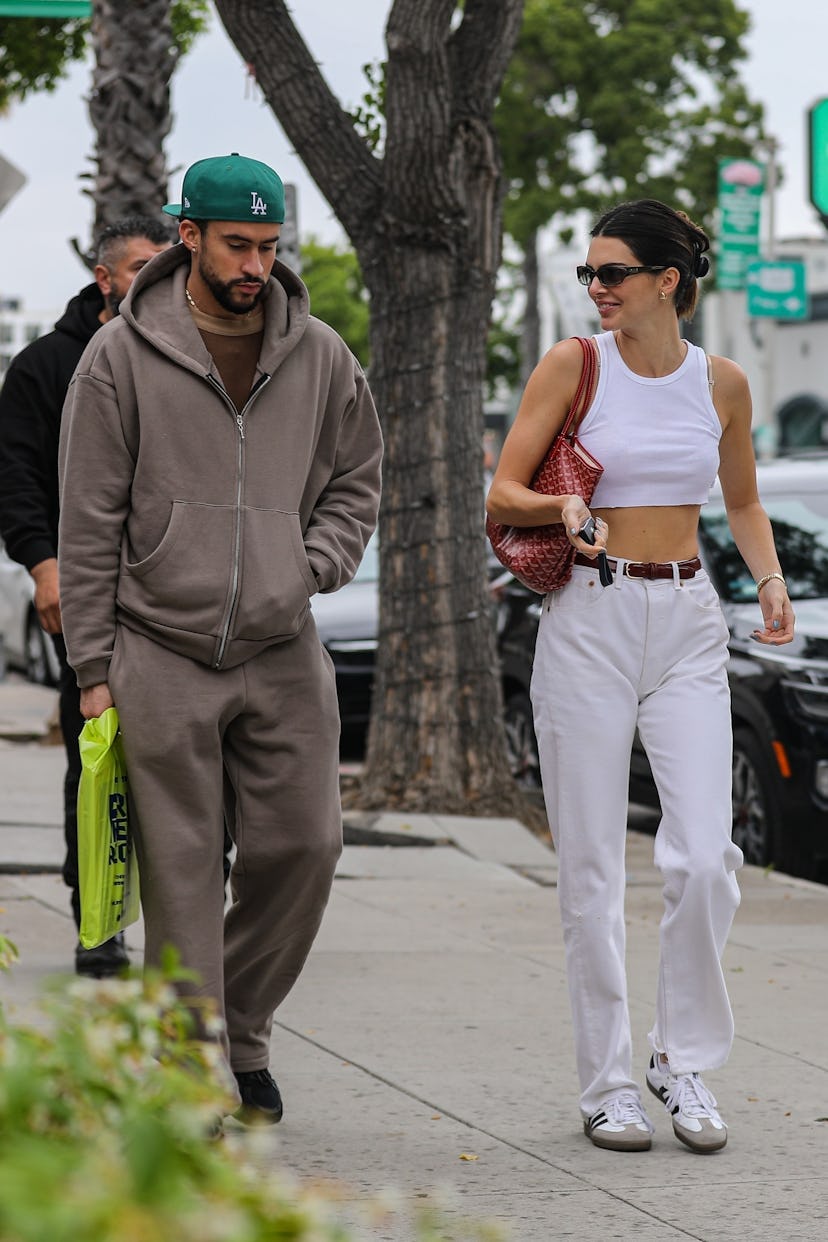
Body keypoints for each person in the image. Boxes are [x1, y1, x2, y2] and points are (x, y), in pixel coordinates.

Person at [57, 153, 383, 1126]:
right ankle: (203, 1059)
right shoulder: (118, 359)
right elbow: (88, 520)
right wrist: (92, 669)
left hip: (283, 646)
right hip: (158, 644)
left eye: (269, 246)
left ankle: (240, 1026)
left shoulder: (319, 354)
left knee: (307, 846)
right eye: (238, 244)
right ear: (188, 236)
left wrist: (310, 560)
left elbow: (357, 478)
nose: (255, 263)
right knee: (184, 867)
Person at [486, 199, 794, 1155]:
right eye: (588, 274)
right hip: (591, 616)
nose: (596, 289)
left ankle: (680, 1058)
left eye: (612, 273)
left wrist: (771, 578)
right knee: (591, 868)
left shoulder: (724, 383)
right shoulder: (576, 364)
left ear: (669, 281)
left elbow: (739, 498)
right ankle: (608, 1084)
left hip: (690, 618)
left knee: (706, 859)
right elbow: (503, 489)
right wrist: (565, 499)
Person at [0, 216, 173, 977]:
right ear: (105, 278)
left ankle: (198, 904)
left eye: (166, 264)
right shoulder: (45, 366)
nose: (156, 279)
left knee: (193, 758)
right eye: (141, 267)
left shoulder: (192, 353)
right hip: (87, 594)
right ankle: (99, 920)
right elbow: (15, 477)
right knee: (98, 756)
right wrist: (44, 565)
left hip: (178, 596)